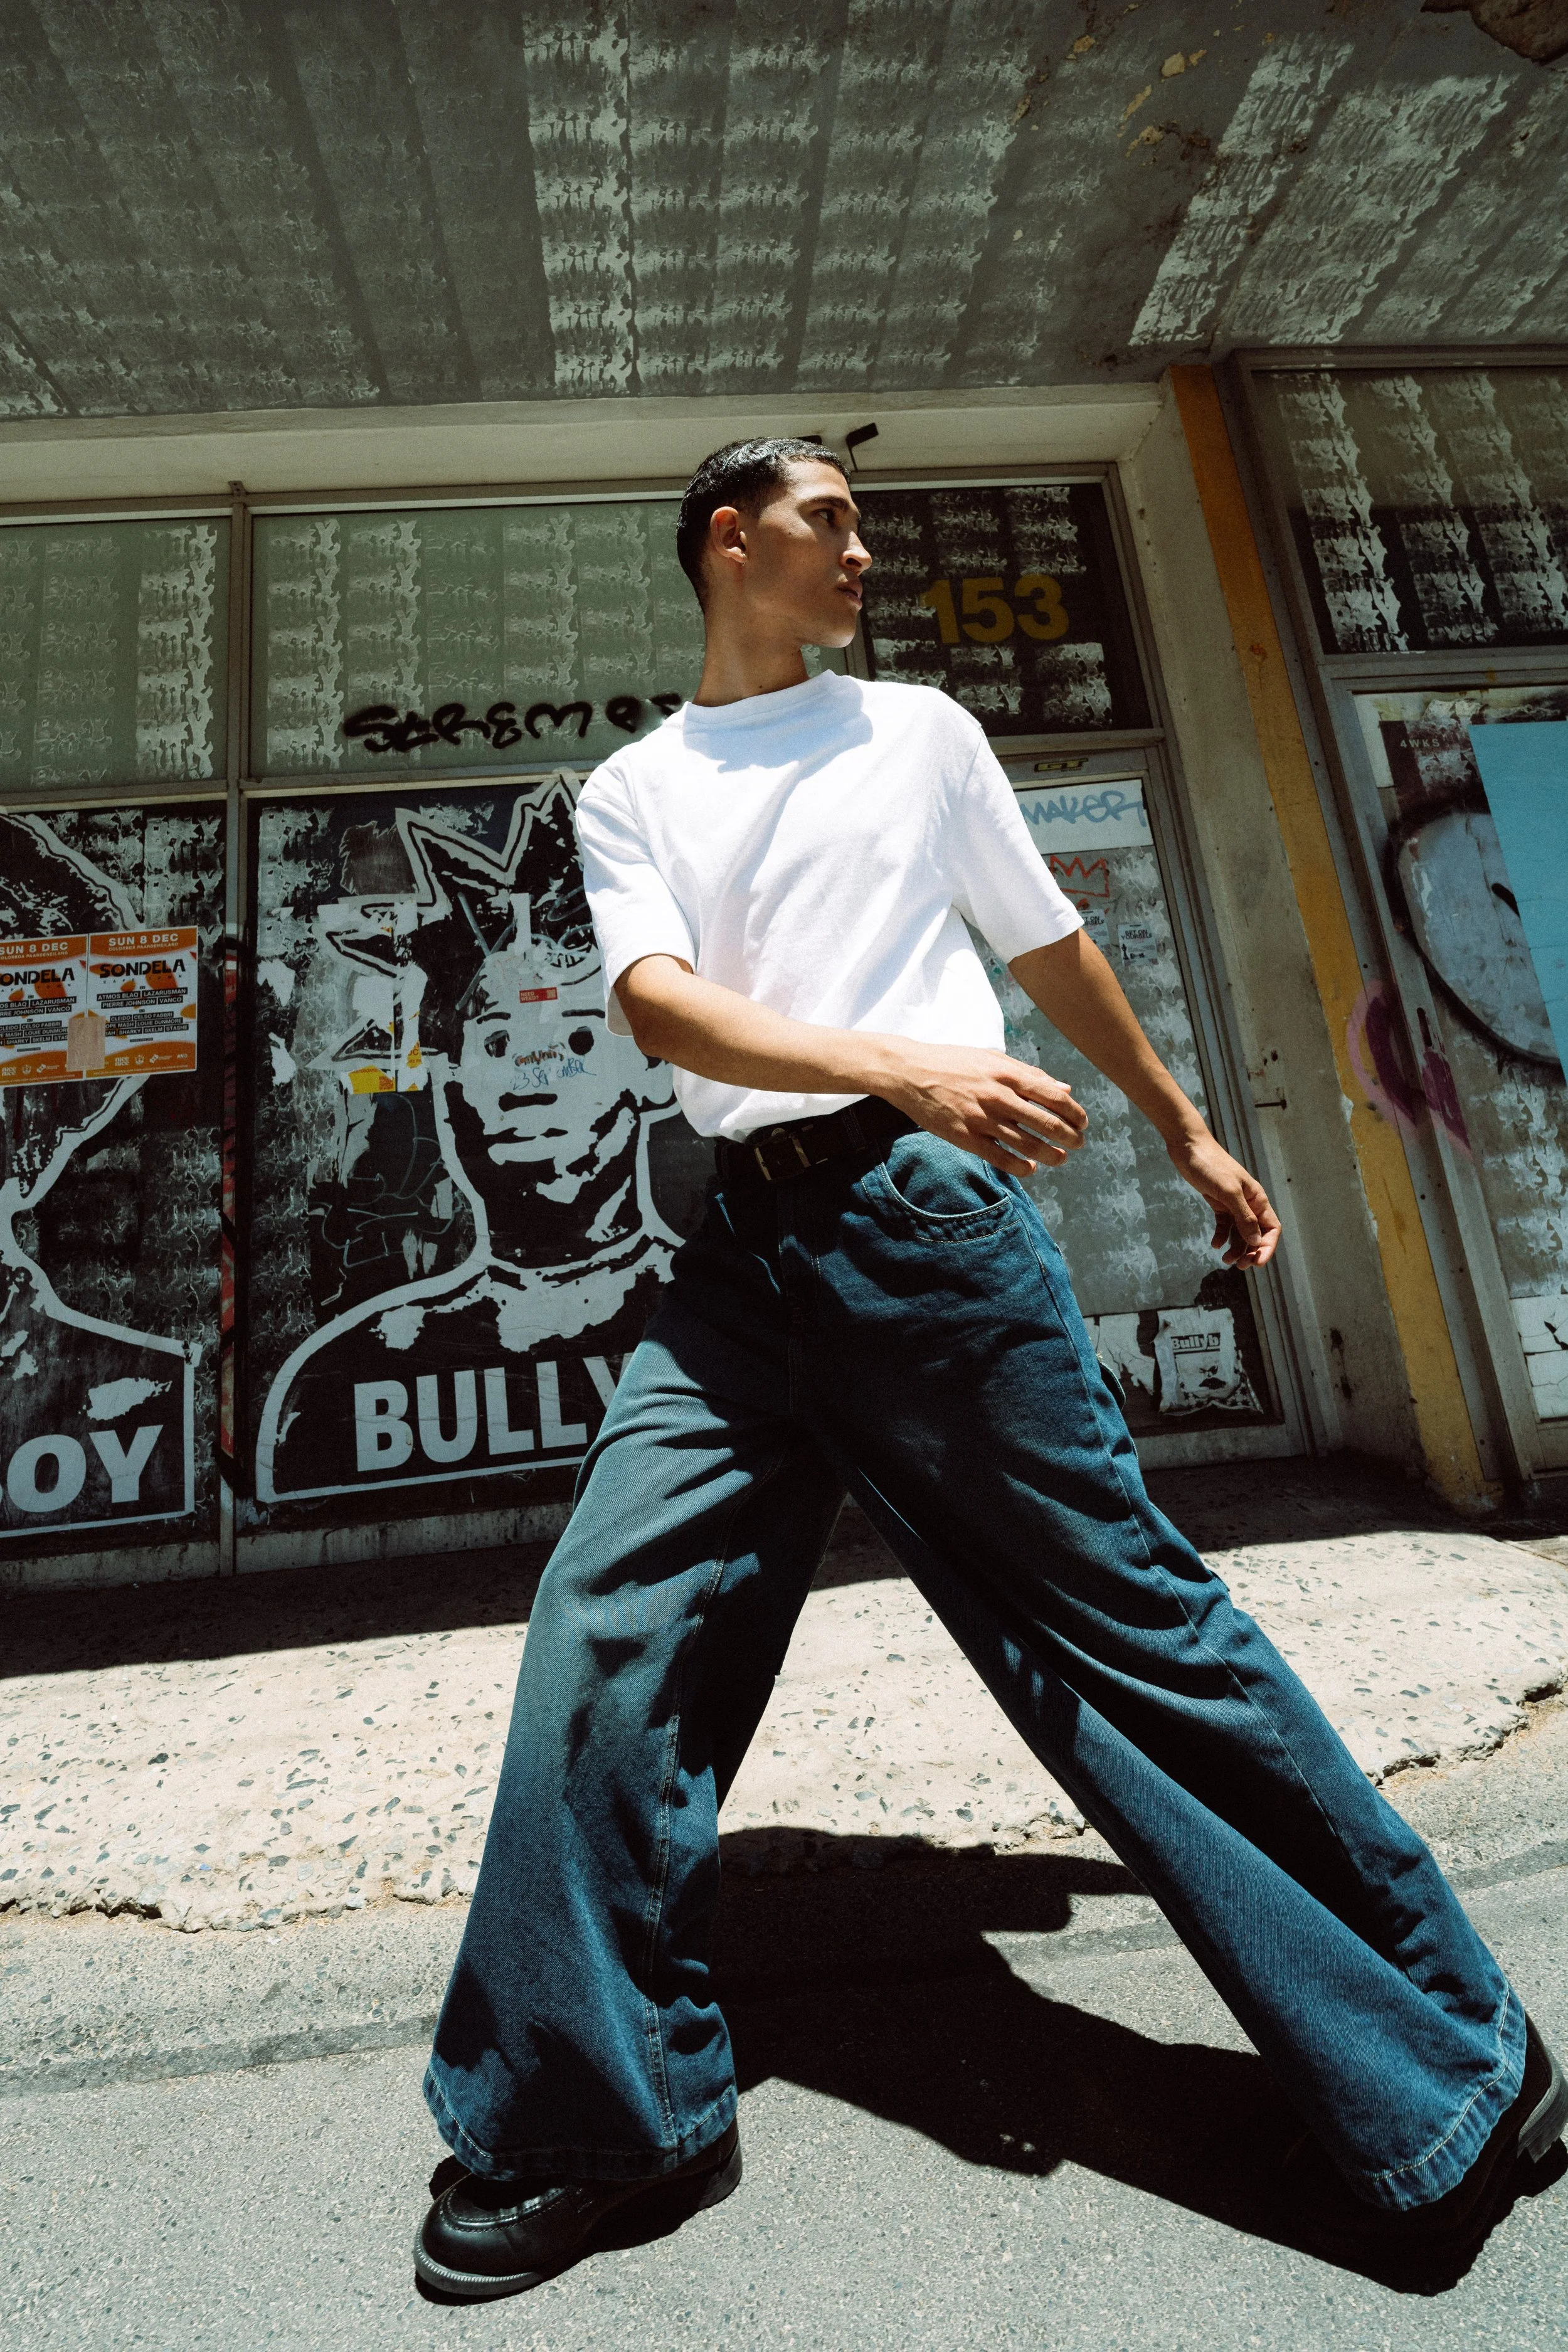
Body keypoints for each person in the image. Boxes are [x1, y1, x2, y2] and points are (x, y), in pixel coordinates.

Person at [413, 439, 1565, 2299]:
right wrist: (892, 1059)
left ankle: (1454, 2068)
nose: (862, 549)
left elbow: (1049, 941)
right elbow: (657, 1003)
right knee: (602, 1628)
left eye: (861, 525)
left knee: (1122, 1637)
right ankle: (597, 2114)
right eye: (830, 520)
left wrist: (1183, 1127)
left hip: (918, 1234)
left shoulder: (917, 732)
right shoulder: (633, 788)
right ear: (729, 540)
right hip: (742, 1260)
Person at [257, 787, 680, 1506]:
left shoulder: (731, 1322)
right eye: (496, 1044)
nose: (530, 1085)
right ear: (448, 1087)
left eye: (579, 1039)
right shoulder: (361, 1369)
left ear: (652, 1070)